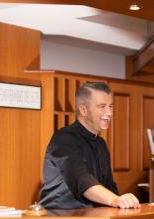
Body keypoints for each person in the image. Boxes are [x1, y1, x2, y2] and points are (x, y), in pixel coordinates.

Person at [39, 81, 140, 209]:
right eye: (102, 106)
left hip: (93, 217)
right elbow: (82, 180)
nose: (109, 113)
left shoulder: (100, 144)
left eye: (111, 106)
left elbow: (109, 187)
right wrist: (115, 200)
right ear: (83, 110)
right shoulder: (63, 139)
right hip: (60, 218)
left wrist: (123, 202)